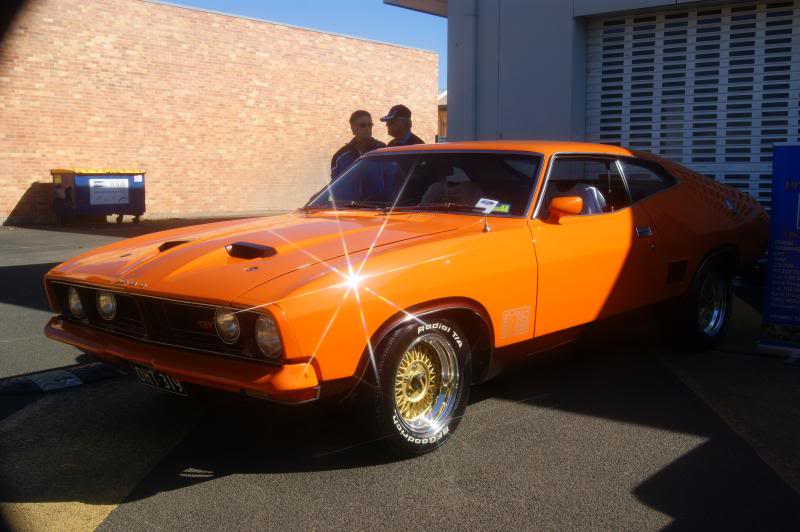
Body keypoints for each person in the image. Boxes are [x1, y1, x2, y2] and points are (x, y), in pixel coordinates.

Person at [330, 110, 386, 181]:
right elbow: (336, 184)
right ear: (353, 128)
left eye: (370, 125)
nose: (367, 128)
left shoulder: (381, 149)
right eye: (363, 125)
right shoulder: (340, 156)